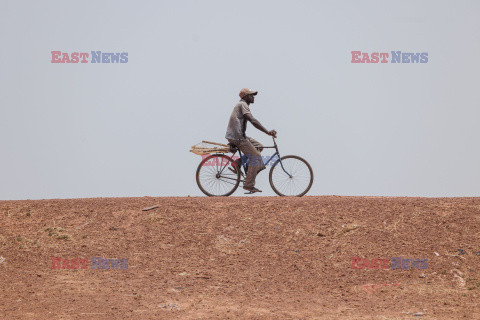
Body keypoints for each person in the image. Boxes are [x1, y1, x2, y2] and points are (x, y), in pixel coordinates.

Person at [225, 88, 277, 193]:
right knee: (255, 157)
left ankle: (238, 163)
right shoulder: (242, 104)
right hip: (237, 137)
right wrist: (267, 132)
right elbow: (252, 120)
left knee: (259, 147)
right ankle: (249, 185)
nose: (253, 97)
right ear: (245, 97)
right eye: (251, 95)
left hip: (239, 135)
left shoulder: (243, 105)